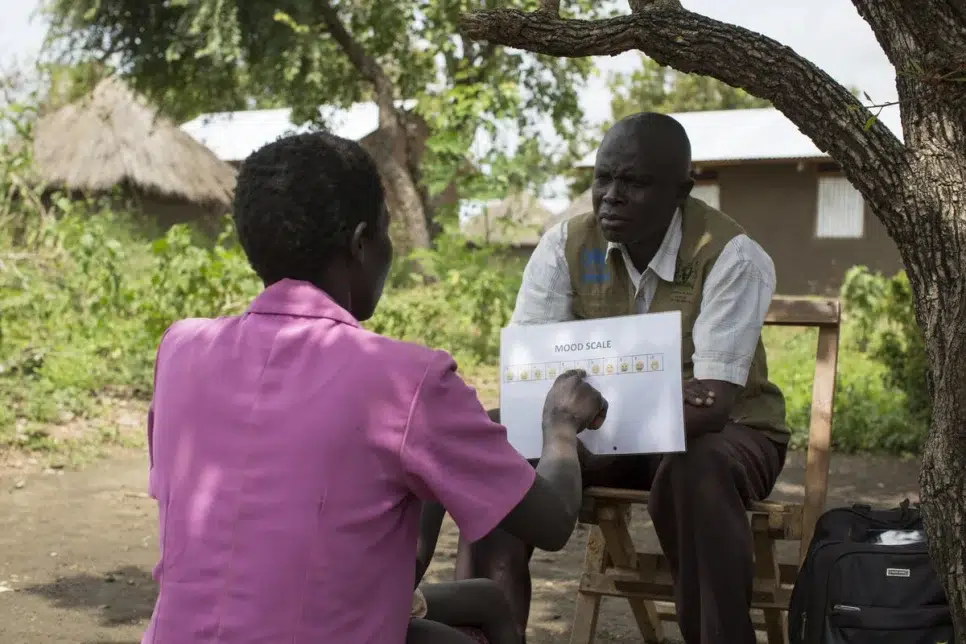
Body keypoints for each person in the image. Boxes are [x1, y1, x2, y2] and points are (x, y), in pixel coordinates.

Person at [141, 131, 608, 644]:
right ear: (361, 242)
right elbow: (554, 522)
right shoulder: (406, 381)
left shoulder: (181, 350)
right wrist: (561, 426)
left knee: (483, 603)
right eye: (388, 231)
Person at [456, 112, 788, 644]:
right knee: (497, 448)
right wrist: (659, 392)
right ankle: (482, 637)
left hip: (725, 437)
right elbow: (533, 382)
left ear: (681, 190)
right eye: (602, 178)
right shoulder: (564, 246)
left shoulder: (729, 254)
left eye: (633, 182)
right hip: (608, 431)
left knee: (694, 470)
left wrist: (593, 397)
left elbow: (712, 406)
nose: (610, 195)